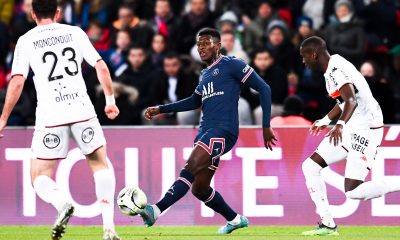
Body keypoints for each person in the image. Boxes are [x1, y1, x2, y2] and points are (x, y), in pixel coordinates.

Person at [0, 1, 121, 239]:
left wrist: (3, 117)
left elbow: (16, 81)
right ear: (57, 12)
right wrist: (110, 99)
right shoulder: (75, 32)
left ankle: (62, 202)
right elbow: (101, 65)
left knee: (40, 176)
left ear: (33, 14)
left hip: (51, 114)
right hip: (82, 109)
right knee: (100, 164)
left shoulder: (26, 40)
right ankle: (109, 228)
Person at [140, 28, 277, 234]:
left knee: (190, 166)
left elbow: (264, 88)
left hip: (223, 130)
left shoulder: (232, 64)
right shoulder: (204, 74)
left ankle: (156, 210)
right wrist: (161, 109)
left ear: (218, 45)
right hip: (205, 132)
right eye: (199, 44)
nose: (201, 47)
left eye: (206, 43)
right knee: (200, 189)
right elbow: (194, 101)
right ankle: (235, 219)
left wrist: (266, 126)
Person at [299, 36, 400, 236]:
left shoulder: (336, 70)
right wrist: (326, 120)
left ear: (314, 54)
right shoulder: (332, 67)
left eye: (304, 57)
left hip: (366, 128)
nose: (303, 61)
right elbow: (344, 102)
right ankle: (328, 224)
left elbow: (351, 100)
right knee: (310, 166)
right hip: (353, 124)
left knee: (353, 191)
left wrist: (339, 125)